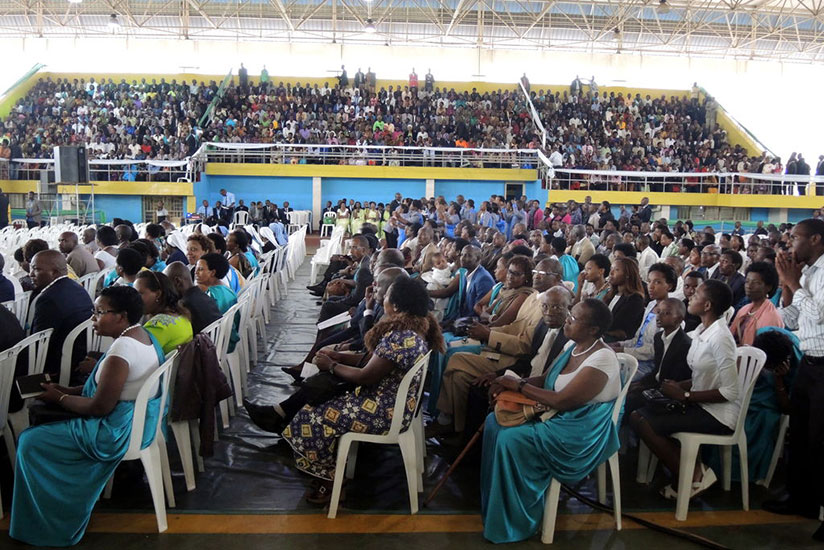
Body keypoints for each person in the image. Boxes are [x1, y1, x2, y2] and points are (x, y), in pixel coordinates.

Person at [10, 286, 164, 547]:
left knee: (30, 442)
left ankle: (51, 523)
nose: (93, 318)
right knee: (41, 430)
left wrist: (58, 398)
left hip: (114, 430)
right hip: (137, 420)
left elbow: (99, 407)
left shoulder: (121, 350)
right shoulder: (141, 335)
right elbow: (113, 386)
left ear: (121, 316)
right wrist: (68, 391)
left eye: (100, 312)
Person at [282, 277, 445, 503]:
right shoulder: (415, 330)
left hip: (383, 412)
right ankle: (332, 472)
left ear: (395, 306)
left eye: (386, 296)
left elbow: (365, 376)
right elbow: (376, 362)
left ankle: (330, 482)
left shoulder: (399, 337)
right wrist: (340, 356)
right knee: (320, 404)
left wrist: (333, 366)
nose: (383, 299)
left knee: (311, 416)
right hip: (396, 405)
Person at [481, 299, 621, 543]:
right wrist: (505, 380)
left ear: (593, 330)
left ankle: (519, 521)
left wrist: (519, 385)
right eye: (570, 314)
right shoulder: (572, 346)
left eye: (574, 319)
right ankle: (497, 505)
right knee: (494, 422)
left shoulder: (603, 359)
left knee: (511, 439)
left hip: (580, 429)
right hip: (559, 415)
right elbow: (546, 380)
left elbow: (563, 401)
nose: (567, 319)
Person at [630, 279, 739, 501]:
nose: (690, 297)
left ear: (707, 305)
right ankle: (693, 471)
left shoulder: (720, 338)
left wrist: (685, 395)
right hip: (698, 402)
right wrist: (679, 386)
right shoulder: (701, 330)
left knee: (643, 420)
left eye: (696, 295)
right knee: (640, 413)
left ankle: (692, 475)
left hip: (717, 413)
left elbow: (730, 391)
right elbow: (701, 375)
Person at [767, 219, 824, 539]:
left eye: (796, 237)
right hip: (811, 363)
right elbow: (790, 319)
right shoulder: (810, 272)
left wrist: (794, 282)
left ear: (815, 239)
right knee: (800, 435)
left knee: (820, 439)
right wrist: (787, 285)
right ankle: (802, 500)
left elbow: (818, 315)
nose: (790, 243)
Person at [29, 250, 94, 378]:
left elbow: (39, 342)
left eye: (36, 269)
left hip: (59, 364)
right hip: (80, 354)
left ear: (54, 272)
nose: (31, 274)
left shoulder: (48, 298)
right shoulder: (77, 287)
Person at [624, 298, 692, 417]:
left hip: (669, 391)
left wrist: (643, 387)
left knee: (629, 402)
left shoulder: (684, 345)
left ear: (679, 319)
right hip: (655, 383)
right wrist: (639, 384)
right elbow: (657, 371)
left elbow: (673, 379)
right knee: (625, 390)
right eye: (658, 311)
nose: (659, 316)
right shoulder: (658, 338)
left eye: (666, 313)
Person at [134, 271, 193, 354]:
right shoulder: (182, 316)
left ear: (158, 294)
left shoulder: (158, 326)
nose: (135, 299)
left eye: (140, 294)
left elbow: (135, 355)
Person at [729, 261, 783, 345]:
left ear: (768, 287)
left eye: (756, 283)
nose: (749, 286)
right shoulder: (745, 309)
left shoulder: (771, 317)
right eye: (747, 281)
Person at [163, 261, 221, 334]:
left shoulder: (184, 304)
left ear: (177, 281)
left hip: (202, 343)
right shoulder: (202, 295)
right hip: (216, 340)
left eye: (167, 285)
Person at [602, 256, 645, 342]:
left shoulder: (635, 299)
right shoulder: (612, 294)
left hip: (617, 341)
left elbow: (615, 324)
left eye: (616, 270)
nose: (611, 273)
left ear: (627, 275)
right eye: (611, 269)